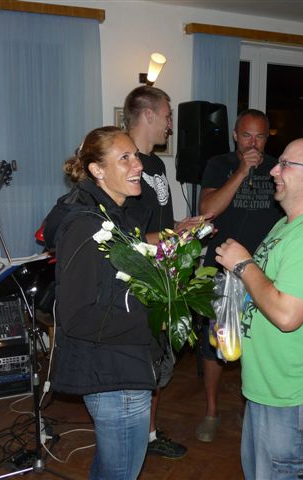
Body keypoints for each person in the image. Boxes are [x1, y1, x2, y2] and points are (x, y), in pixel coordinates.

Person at [215, 138, 303, 479]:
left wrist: (243, 264)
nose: (274, 170)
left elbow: (287, 315)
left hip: (297, 392)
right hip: (271, 384)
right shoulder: (287, 226)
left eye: (286, 164)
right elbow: (267, 289)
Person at [50, 127, 162, 479]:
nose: (137, 165)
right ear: (97, 170)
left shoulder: (117, 218)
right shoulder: (87, 227)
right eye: (124, 158)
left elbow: (116, 289)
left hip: (123, 365)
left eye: (136, 156)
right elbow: (76, 316)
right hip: (114, 376)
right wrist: (151, 321)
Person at [123, 85, 209, 459]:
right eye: (167, 116)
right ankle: (135, 438)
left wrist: (180, 226)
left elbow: (157, 225)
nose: (170, 125)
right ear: (148, 115)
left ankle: (149, 434)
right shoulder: (124, 164)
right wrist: (173, 236)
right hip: (136, 281)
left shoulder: (156, 166)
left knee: (158, 363)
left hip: (163, 276)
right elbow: (124, 237)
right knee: (141, 365)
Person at [195, 108, 282, 442]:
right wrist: (243, 170)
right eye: (246, 135)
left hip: (264, 272)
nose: (253, 143)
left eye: (260, 136)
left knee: (258, 344)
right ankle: (211, 410)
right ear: (235, 135)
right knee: (214, 345)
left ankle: (255, 408)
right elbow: (208, 210)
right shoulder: (219, 165)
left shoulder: (278, 168)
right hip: (220, 268)